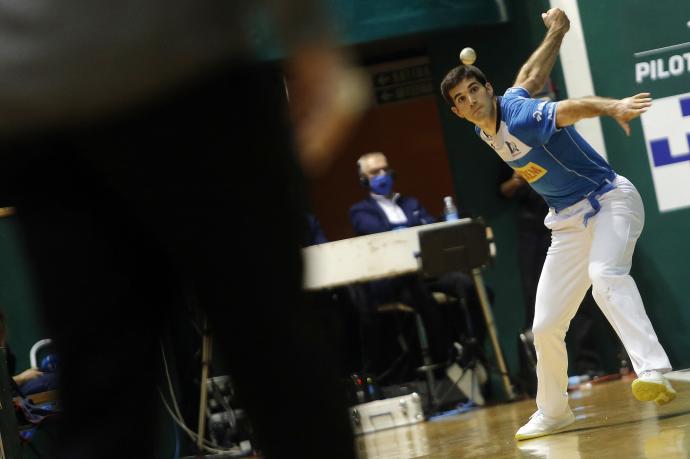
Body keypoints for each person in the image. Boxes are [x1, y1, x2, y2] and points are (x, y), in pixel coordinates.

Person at [0, 1, 367, 458]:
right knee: (279, 356)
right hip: (185, 77)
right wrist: (311, 40)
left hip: (44, 100)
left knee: (103, 400)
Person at [440, 7, 674, 440]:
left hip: (609, 202)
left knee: (604, 275)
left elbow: (570, 108)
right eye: (461, 99)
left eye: (475, 90)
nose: (471, 100)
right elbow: (530, 72)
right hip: (566, 224)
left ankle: (654, 371)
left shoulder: (523, 118)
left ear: (488, 89)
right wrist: (559, 31)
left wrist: (614, 107)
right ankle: (553, 411)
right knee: (545, 325)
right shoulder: (484, 128)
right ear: (457, 112)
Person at [350, 151, 486, 384]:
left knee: (468, 285)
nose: (382, 175)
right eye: (374, 172)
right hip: (393, 280)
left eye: (385, 169)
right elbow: (379, 236)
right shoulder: (360, 211)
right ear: (364, 179)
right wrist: (410, 232)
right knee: (417, 291)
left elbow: (432, 230)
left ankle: (473, 347)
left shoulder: (410, 203)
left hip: (425, 271)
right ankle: (447, 355)